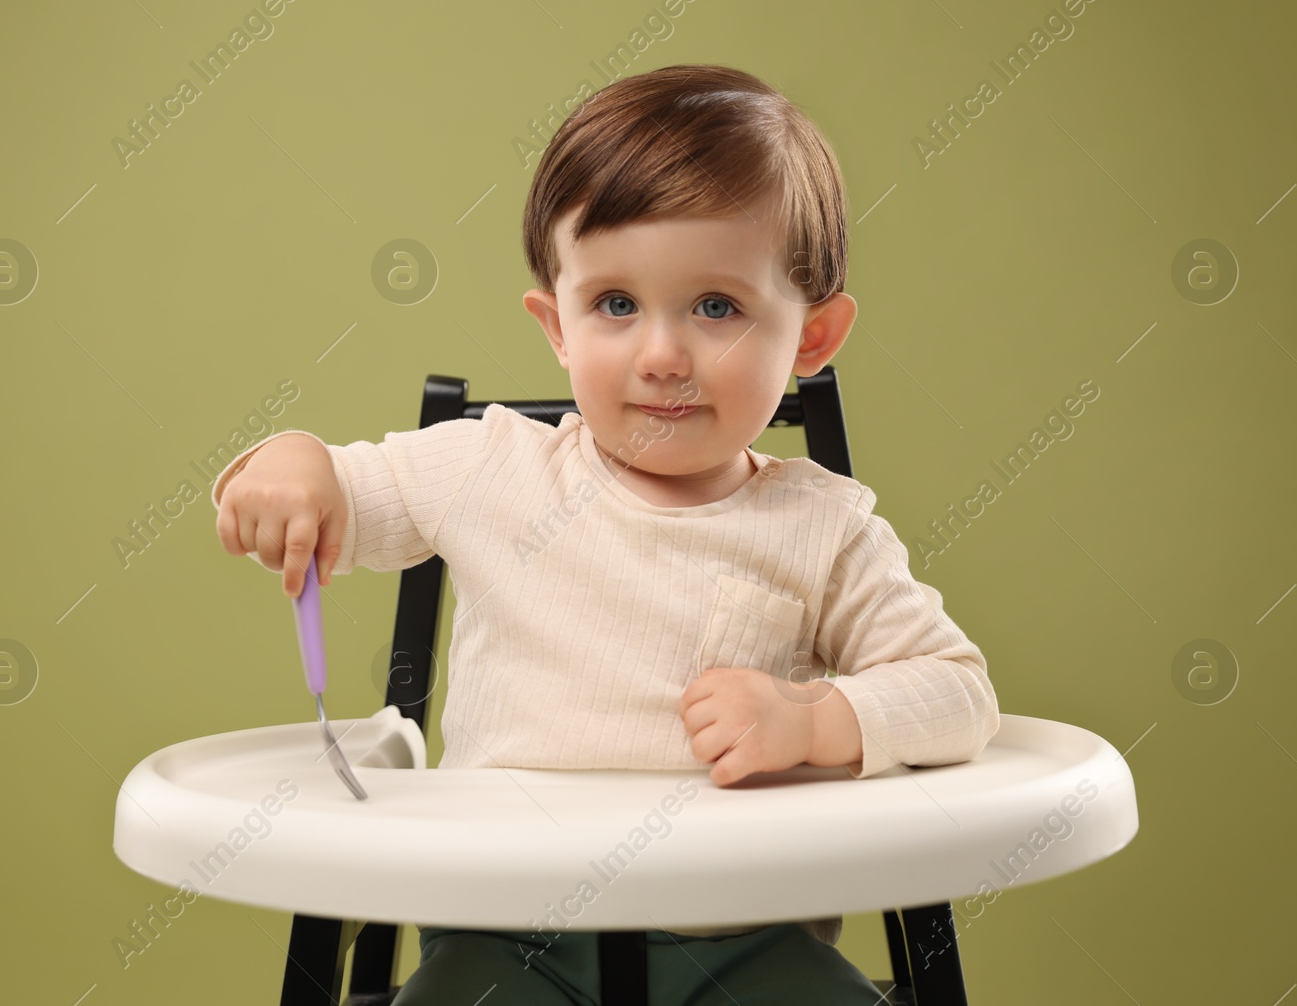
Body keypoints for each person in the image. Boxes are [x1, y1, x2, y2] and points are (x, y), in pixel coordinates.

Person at [211, 63, 1000, 1004]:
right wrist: (293, 466)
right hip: (506, 936)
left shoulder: (820, 526)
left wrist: (814, 721)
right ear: (556, 323)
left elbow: (957, 692)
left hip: (742, 936)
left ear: (814, 337)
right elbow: (345, 484)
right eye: (616, 305)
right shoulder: (489, 466)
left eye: (717, 307)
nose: (662, 355)